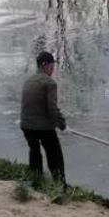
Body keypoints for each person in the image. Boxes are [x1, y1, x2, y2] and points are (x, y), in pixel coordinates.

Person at [20, 51, 67, 184]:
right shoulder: (50, 83)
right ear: (46, 65)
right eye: (52, 66)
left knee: (34, 151)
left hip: (26, 126)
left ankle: (35, 180)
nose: (53, 69)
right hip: (42, 127)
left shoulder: (28, 80)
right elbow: (52, 109)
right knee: (54, 154)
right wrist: (62, 124)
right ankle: (60, 184)